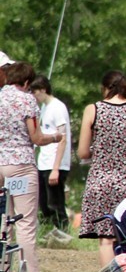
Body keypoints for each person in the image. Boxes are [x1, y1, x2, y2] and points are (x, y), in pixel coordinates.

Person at [78, 71, 126, 266]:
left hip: (101, 182)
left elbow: (82, 152)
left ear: (105, 88)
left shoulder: (93, 109)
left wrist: (98, 149)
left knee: (106, 240)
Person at [0, 62, 65, 272]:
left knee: (3, 221)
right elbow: (36, 137)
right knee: (25, 223)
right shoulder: (26, 100)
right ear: (27, 82)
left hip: (0, 166)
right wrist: (55, 137)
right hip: (20, 167)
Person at [29, 76, 72, 230]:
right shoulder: (44, 108)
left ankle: (62, 231)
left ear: (43, 90)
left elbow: (63, 138)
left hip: (55, 163)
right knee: (44, 203)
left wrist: (56, 168)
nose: (34, 96)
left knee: (55, 203)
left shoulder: (58, 107)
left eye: (34, 92)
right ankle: (48, 231)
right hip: (43, 162)